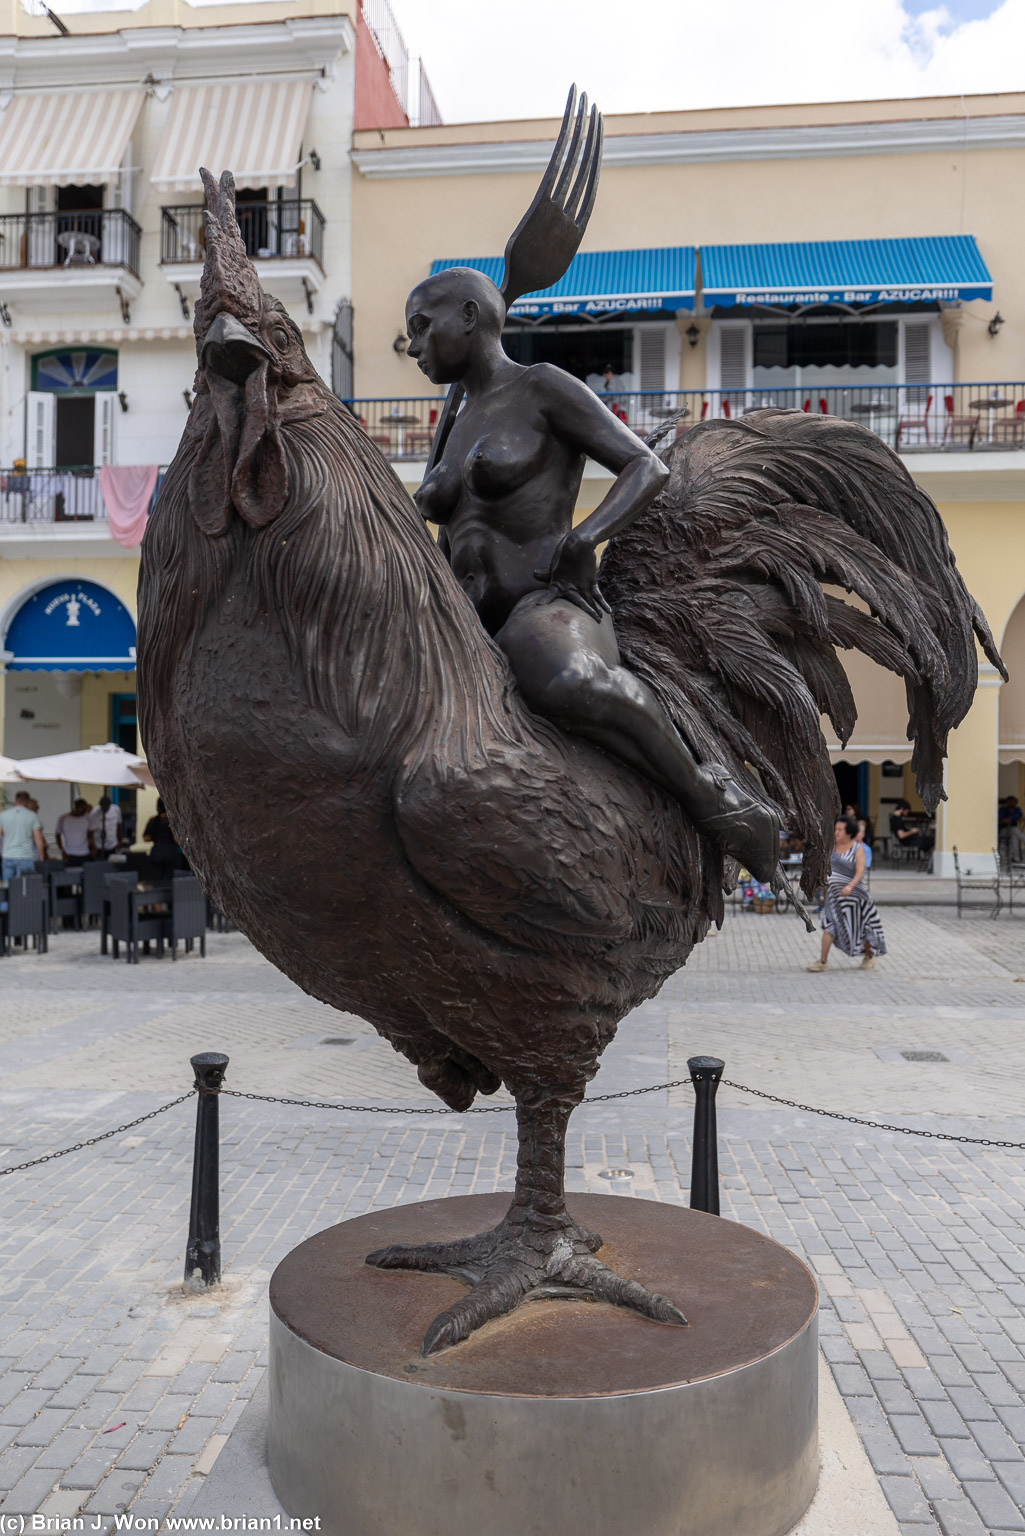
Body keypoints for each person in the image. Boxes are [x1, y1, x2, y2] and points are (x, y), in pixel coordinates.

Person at [405, 266, 780, 880]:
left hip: (549, 600)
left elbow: (644, 466)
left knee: (563, 677)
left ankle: (715, 797)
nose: (414, 347)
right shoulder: (451, 421)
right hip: (467, 617)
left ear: (469, 318)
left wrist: (585, 539)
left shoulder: (542, 388)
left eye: (422, 328)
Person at [807, 815, 886, 972]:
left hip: (856, 897)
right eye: (835, 829)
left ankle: (869, 957)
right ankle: (822, 961)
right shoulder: (832, 849)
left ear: (849, 832)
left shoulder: (857, 848)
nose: (836, 832)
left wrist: (850, 886)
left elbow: (860, 871)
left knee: (863, 927)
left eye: (840, 830)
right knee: (828, 926)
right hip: (835, 897)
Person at [0, 790, 45, 881]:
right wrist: (41, 855)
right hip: (25, 856)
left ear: (15, 801)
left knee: (7, 886)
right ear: (27, 802)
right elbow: (38, 838)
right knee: (24, 887)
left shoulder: (3, 815)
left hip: (8, 856)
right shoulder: (32, 816)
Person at [142, 798, 182, 877]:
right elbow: (176, 840)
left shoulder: (153, 820)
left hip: (156, 852)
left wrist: (156, 837)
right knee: (172, 882)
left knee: (156, 881)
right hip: (170, 852)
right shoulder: (173, 820)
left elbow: (146, 838)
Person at [55, 798, 92, 864]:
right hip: (69, 853)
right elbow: (57, 834)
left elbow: (91, 834)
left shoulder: (88, 818)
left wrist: (92, 848)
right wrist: (62, 849)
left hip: (85, 853)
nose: (85, 811)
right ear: (77, 807)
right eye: (83, 809)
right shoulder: (63, 818)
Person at [88, 794, 123, 858]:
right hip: (98, 845)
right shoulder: (93, 814)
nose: (105, 809)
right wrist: (93, 847)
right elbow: (90, 832)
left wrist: (119, 841)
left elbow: (118, 826)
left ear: (110, 805)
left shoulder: (116, 810)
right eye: (103, 807)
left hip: (112, 844)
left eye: (107, 807)